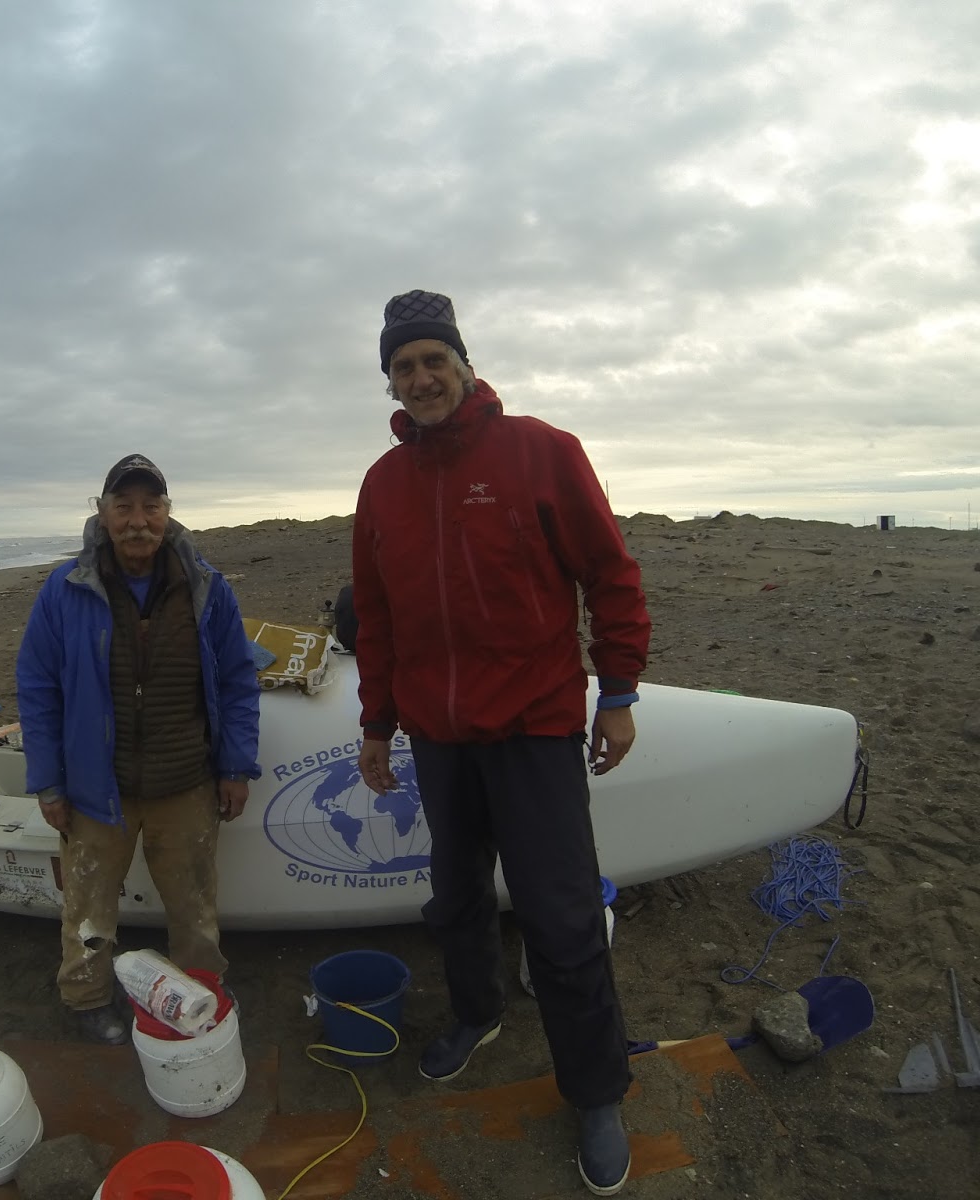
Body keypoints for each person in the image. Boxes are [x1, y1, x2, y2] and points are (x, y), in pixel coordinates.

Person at [351, 291, 651, 1196]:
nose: (422, 377)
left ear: (465, 364)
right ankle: (477, 1014)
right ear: (392, 382)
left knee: (560, 921)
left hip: (534, 727)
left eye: (433, 359)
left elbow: (611, 573)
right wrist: (376, 724)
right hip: (440, 741)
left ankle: (594, 1092)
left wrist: (621, 691)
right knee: (455, 899)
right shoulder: (382, 484)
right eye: (404, 367)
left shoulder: (540, 452)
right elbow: (376, 620)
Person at [16, 454, 262, 1045]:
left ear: (168, 513)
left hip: (187, 781)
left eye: (150, 506)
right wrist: (49, 782)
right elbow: (37, 685)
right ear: (101, 514)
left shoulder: (208, 587)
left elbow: (237, 680)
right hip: (97, 789)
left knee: (195, 907)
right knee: (88, 907)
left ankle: (200, 990)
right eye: (123, 506)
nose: (137, 520)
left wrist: (235, 766)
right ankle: (85, 999)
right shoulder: (65, 588)